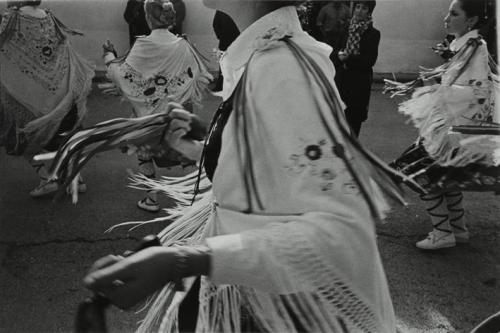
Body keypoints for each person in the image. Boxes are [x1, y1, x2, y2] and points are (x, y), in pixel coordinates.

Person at [84, 1, 417, 332]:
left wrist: (184, 260)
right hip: (258, 296)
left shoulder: (283, 68)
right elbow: (267, 176)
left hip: (275, 310)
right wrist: (208, 142)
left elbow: (340, 236)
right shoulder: (268, 53)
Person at [389, 0, 499, 250]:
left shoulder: (475, 49)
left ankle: (442, 232)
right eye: (448, 12)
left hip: (455, 131)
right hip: (449, 127)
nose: (446, 18)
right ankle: (457, 229)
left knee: (421, 175)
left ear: (470, 20)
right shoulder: (465, 46)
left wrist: (442, 91)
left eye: (454, 13)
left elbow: (479, 91)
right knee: (444, 179)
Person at [102, 0, 212, 213]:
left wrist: (109, 56)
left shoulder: (143, 45)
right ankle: (195, 201)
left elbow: (124, 77)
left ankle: (151, 200)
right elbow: (198, 74)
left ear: (148, 17)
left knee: (145, 154)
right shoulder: (183, 44)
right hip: (177, 114)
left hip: (149, 118)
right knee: (185, 155)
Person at [0, 0, 95, 197]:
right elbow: (60, 49)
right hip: (60, 89)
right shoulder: (48, 17)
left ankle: (48, 178)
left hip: (28, 93)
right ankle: (75, 177)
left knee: (22, 137)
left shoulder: (11, 19)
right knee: (65, 135)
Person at [333, 0, 380, 137]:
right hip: (342, 80)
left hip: (359, 83)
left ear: (369, 12)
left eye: (364, 8)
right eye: (357, 7)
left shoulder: (373, 34)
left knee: (354, 121)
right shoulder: (346, 29)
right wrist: (339, 55)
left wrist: (348, 58)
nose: (359, 10)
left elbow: (370, 61)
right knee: (338, 119)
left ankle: (353, 153)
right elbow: (335, 50)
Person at [212, 10, 240, 91]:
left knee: (224, 63)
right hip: (234, 39)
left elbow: (215, 25)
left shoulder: (220, 10)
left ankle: (222, 85)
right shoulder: (232, 8)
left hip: (225, 40)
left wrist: (220, 36)